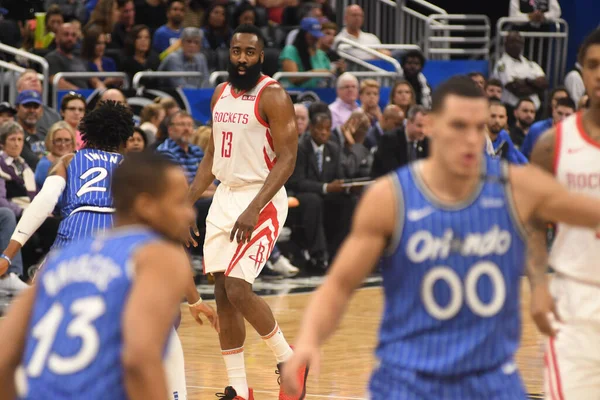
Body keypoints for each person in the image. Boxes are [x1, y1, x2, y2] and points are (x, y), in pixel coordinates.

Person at [280, 75, 600, 399]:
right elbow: (338, 285)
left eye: (480, 127)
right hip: (408, 381)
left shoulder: (517, 187)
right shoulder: (389, 198)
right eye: (458, 126)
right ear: (431, 126)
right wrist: (308, 340)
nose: (471, 138)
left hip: (491, 381)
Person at [0, 152, 217, 400]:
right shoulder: (158, 255)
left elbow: (5, 353)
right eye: (179, 202)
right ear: (146, 206)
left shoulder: (62, 257)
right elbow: (139, 357)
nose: (190, 213)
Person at [186, 24, 307, 400]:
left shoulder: (273, 95)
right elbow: (211, 155)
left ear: (261, 56)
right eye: (236, 52)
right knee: (222, 292)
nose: (241, 59)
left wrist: (255, 207)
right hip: (225, 196)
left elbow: (287, 159)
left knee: (239, 288)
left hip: (262, 197)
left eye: (249, 53)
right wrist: (185, 202)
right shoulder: (220, 92)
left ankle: (291, 361)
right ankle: (238, 389)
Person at [528, 28, 600, 399]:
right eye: (593, 65)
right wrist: (538, 284)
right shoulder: (553, 143)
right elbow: (532, 220)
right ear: (582, 73)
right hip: (574, 302)